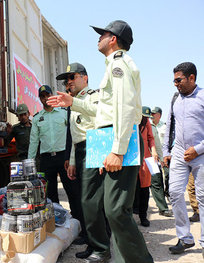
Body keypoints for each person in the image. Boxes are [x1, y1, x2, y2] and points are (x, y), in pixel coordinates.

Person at [47, 20, 153, 263]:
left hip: (117, 138)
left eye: (102, 34)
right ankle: (114, 256)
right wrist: (73, 103)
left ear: (113, 38)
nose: (98, 38)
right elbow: (103, 112)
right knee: (106, 206)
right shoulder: (111, 66)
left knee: (117, 210)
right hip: (105, 137)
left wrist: (117, 150)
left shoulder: (120, 65)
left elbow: (125, 109)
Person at [57, 62, 102, 258]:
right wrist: (73, 161)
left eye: (72, 77)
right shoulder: (73, 103)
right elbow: (76, 136)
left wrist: (100, 156)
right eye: (66, 80)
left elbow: (98, 124)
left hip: (95, 145)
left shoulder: (94, 96)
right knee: (86, 200)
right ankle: (95, 243)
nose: (68, 82)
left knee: (93, 201)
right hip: (82, 150)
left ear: (85, 78)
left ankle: (101, 246)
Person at [162, 62, 204, 255]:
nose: (175, 84)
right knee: (175, 193)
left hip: (201, 153)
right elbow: (169, 124)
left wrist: (198, 149)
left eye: (179, 80)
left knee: (202, 197)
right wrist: (166, 151)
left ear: (192, 78)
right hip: (179, 152)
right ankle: (185, 238)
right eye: (174, 80)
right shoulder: (175, 99)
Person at [27, 85, 79, 220]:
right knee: (50, 194)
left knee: (72, 190)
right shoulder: (37, 118)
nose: (45, 98)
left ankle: (78, 221)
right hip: (46, 160)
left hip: (64, 157)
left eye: (47, 95)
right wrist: (30, 162)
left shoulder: (63, 113)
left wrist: (72, 157)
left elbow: (72, 134)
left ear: (52, 96)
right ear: (40, 99)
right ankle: (56, 221)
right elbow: (34, 142)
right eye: (42, 96)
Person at [133, 107, 158, 227]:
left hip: (145, 159)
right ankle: (131, 216)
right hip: (131, 158)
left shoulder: (146, 122)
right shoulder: (130, 119)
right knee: (132, 189)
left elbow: (150, 138)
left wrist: (153, 151)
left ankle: (143, 216)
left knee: (144, 189)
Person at [149, 114, 173, 217]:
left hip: (150, 159)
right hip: (133, 160)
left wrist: (161, 157)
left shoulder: (151, 128)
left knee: (157, 182)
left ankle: (163, 208)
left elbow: (157, 144)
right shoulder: (131, 124)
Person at [151, 107, 170, 199]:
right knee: (157, 179)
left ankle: (167, 192)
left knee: (168, 174)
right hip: (153, 156)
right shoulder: (149, 126)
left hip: (164, 155)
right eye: (151, 113)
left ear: (159, 115)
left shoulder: (165, 127)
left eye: (154, 113)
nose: (152, 115)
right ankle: (160, 197)